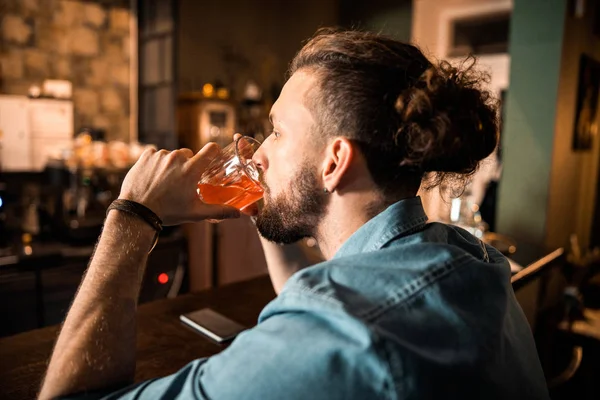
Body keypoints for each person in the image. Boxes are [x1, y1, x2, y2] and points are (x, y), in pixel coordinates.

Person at [40, 29, 549, 399]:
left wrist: (133, 212)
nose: (258, 152)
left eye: (278, 132)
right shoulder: (465, 257)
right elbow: (326, 294)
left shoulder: (338, 333)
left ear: (335, 162)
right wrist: (265, 204)